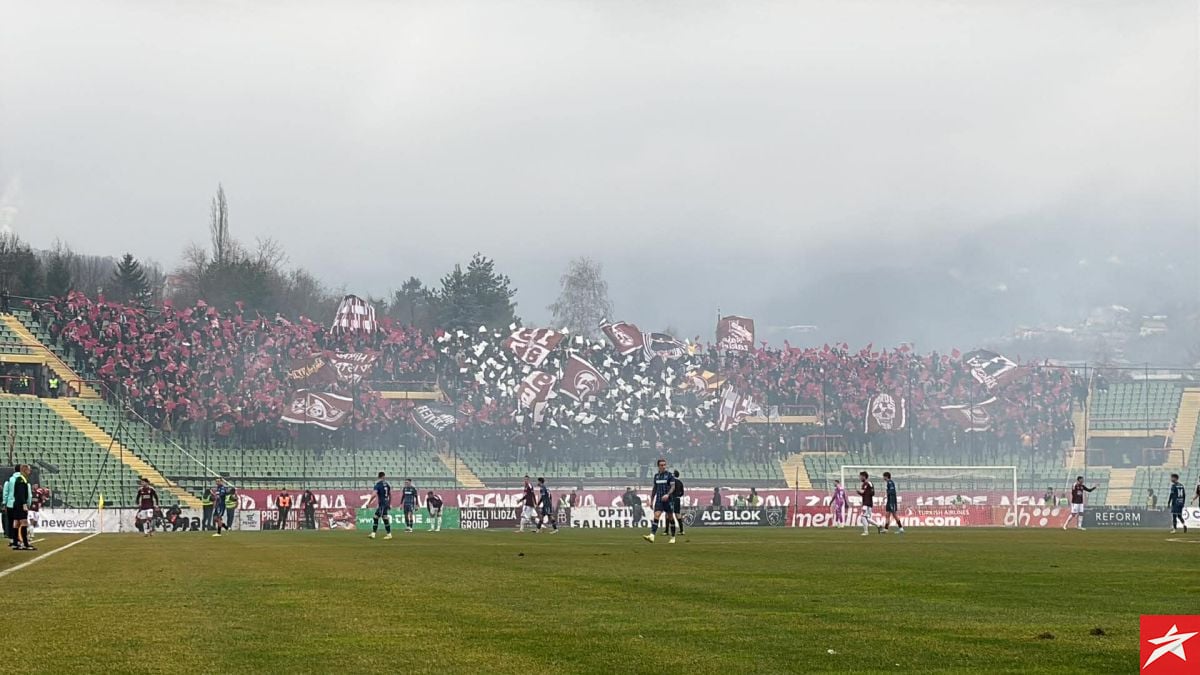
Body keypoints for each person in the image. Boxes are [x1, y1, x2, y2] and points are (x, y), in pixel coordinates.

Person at [642, 458, 676, 544]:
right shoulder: (656, 476)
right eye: (661, 465)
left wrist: (667, 494)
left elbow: (673, 487)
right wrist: (651, 500)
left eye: (664, 465)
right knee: (656, 515)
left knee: (670, 517)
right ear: (658, 466)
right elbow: (655, 489)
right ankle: (652, 536)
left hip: (668, 500)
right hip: (659, 500)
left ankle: (673, 537)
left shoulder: (669, 475)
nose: (663, 467)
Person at [8, 464, 33, 550]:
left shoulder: (19, 479)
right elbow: (21, 494)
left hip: (16, 504)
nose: (30, 472)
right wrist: (24, 504)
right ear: (25, 470)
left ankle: (15, 543)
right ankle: (25, 544)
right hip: (20, 504)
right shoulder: (21, 480)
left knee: (16, 523)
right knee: (24, 522)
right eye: (29, 470)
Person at [366, 472, 392, 540]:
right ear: (384, 476)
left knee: (377, 517)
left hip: (382, 504)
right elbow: (390, 495)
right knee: (382, 517)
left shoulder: (378, 485)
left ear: (378, 477)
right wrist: (389, 503)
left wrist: (369, 502)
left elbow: (374, 494)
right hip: (385, 503)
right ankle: (377, 534)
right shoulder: (387, 485)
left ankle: (375, 534)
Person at [857, 471, 884, 536]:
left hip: (867, 503)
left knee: (863, 517)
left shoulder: (867, 483)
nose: (859, 478)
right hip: (868, 503)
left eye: (860, 476)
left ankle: (866, 532)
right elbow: (867, 493)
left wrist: (860, 491)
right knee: (867, 518)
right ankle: (878, 526)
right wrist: (860, 492)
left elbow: (868, 492)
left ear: (863, 476)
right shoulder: (867, 484)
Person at [2, 464, 17, 549]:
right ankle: (20, 538)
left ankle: (12, 539)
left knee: (11, 522)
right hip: (20, 504)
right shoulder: (24, 480)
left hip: (11, 504)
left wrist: (4, 503)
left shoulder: (9, 480)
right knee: (20, 521)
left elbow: (5, 493)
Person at [670, 470, 685, 537]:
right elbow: (682, 493)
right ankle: (682, 530)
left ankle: (667, 531)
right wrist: (678, 496)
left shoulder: (672, 482)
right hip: (677, 499)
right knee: (677, 514)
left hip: (672, 498)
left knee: (669, 513)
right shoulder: (680, 482)